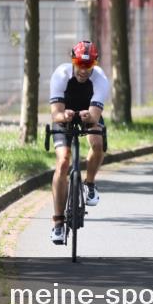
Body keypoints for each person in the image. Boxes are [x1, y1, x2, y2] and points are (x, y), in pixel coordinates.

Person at [48, 40, 110, 244]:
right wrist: (63, 115)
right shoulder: (61, 75)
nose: (83, 70)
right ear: (72, 60)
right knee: (63, 161)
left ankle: (89, 184)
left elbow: (95, 113)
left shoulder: (100, 78)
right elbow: (55, 113)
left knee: (98, 145)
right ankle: (58, 223)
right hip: (64, 116)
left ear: (95, 63)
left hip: (87, 115)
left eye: (88, 65)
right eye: (79, 64)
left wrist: (88, 116)